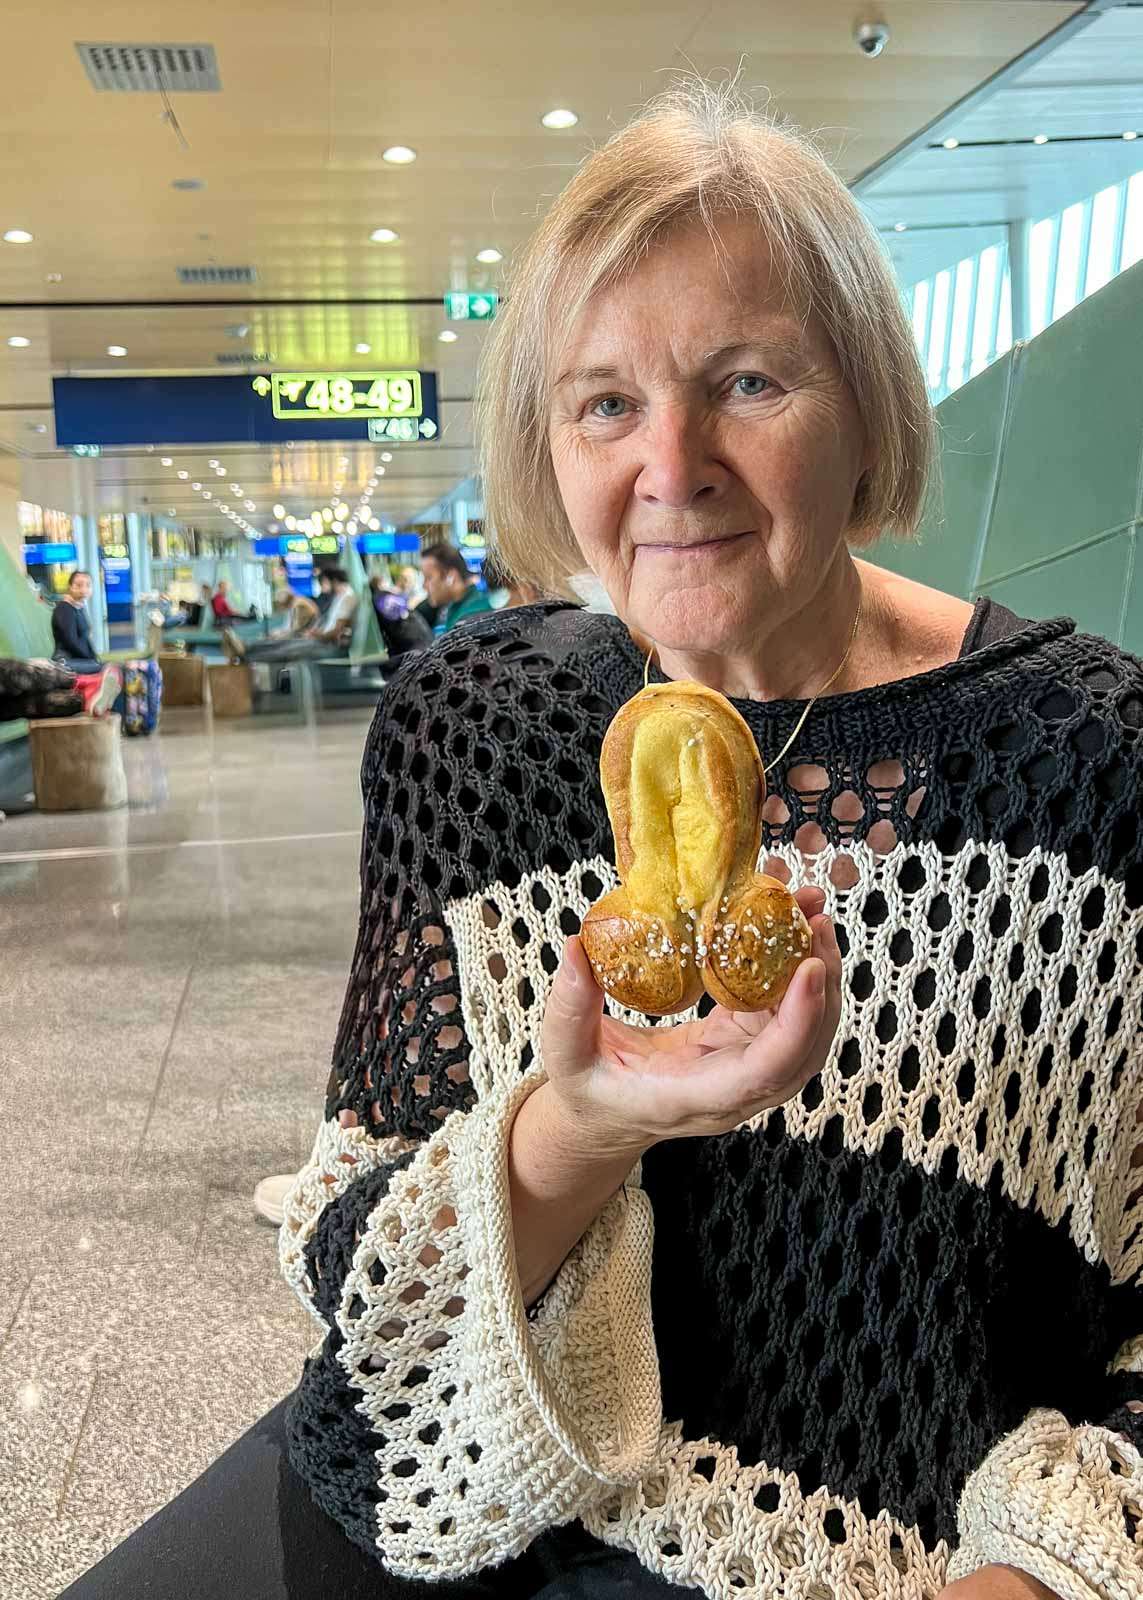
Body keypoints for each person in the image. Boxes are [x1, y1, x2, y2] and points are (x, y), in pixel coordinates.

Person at [60, 84, 1141, 1600]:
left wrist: (1034, 1581)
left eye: (747, 382)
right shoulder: (475, 727)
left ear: (867, 407)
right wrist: (578, 1125)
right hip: (453, 1470)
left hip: (878, 1546)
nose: (671, 464)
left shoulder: (1091, 767)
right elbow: (359, 1241)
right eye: (606, 402)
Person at [222, 568, 357, 665]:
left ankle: (245, 654)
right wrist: (316, 633)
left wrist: (316, 635)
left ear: (333, 581)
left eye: (324, 582)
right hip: (320, 638)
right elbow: (330, 627)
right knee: (283, 643)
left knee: (287, 647)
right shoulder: (339, 598)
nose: (322, 587)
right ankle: (245, 648)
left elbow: (335, 632)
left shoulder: (347, 598)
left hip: (326, 644)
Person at [420, 542, 493, 633]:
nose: (424, 586)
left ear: (451, 576)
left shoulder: (473, 615)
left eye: (428, 577)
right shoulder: (456, 606)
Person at [368, 574, 433, 658]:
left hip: (414, 645)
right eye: (385, 582)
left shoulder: (383, 599)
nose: (389, 585)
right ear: (379, 585)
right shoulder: (383, 598)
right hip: (417, 643)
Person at [50, 570, 103, 672]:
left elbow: (85, 640)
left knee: (108, 666)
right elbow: (71, 641)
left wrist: (94, 658)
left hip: (78, 660)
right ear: (70, 587)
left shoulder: (79, 608)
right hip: (65, 662)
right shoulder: (64, 608)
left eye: (88, 585)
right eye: (78, 585)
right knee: (104, 668)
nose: (83, 589)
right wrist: (92, 660)